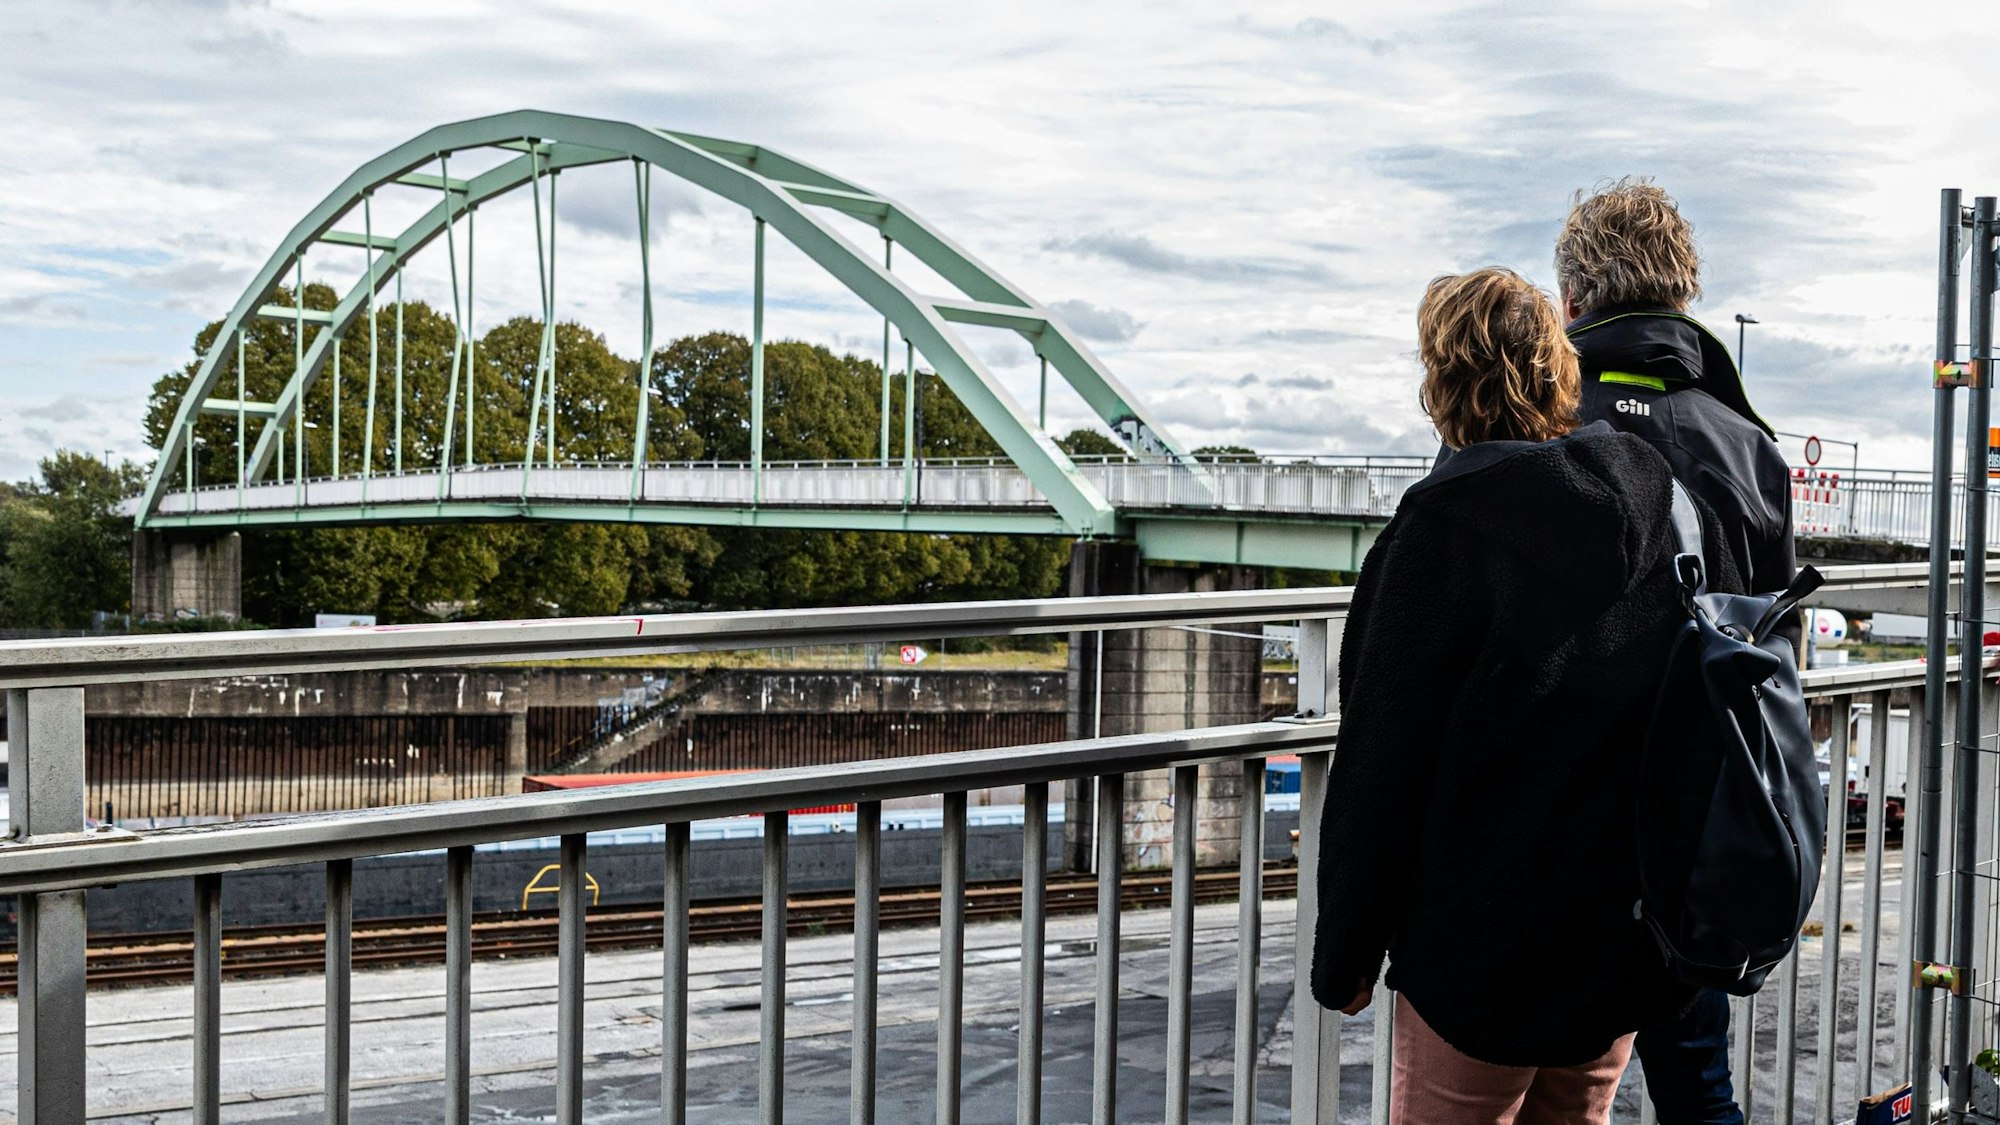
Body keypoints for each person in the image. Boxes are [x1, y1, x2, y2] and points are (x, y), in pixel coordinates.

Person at [1311, 268, 1741, 1125]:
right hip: (1617, 938)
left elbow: (1380, 761)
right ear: (1558, 370)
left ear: (1442, 379)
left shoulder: (1441, 531)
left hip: (1478, 954)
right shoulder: (1657, 504)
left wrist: (1346, 951)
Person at [1557, 178, 1795, 1125]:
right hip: (1698, 834)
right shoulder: (1747, 443)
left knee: (1552, 1096)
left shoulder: (1542, 418)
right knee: (1699, 1092)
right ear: (1685, 294)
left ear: (1573, 303)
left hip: (1559, 831)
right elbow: (1776, 643)